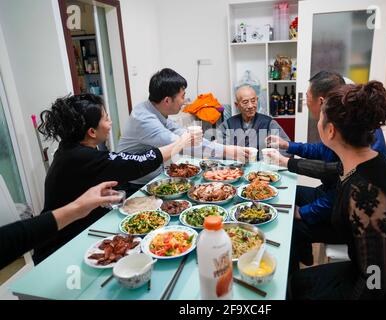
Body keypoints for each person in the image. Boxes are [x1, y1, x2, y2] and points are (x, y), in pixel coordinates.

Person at [289, 81, 386, 299]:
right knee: (294, 284)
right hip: (371, 268)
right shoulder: (365, 159)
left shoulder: (365, 194)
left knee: (297, 293)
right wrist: (287, 161)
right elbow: (330, 169)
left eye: (321, 118)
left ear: (331, 130)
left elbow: (375, 280)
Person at [33, 93, 197, 264]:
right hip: (59, 248)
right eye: (106, 119)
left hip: (75, 232)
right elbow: (138, 163)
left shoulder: (70, 148)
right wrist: (181, 143)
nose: (110, 123)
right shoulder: (80, 156)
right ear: (91, 131)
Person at [265, 71, 386, 271]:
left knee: (289, 224)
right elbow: (326, 160)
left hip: (350, 226)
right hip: (340, 204)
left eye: (307, 98)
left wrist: (303, 212)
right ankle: (303, 257)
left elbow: (340, 190)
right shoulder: (349, 129)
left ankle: (294, 274)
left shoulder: (363, 168)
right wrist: (290, 147)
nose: (306, 104)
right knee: (289, 197)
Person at [117, 68, 249, 195]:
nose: (184, 101)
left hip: (152, 175)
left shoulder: (155, 110)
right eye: (182, 96)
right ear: (167, 100)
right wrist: (227, 151)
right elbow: (183, 146)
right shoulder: (145, 120)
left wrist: (223, 148)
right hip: (133, 184)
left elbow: (184, 135)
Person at [0, 181, 122, 270]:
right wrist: (77, 208)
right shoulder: (75, 156)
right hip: (50, 255)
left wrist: (78, 208)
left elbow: (13, 238)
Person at [217, 85, 290, 158]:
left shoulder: (269, 123)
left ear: (257, 100)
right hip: (236, 167)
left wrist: (269, 160)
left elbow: (286, 149)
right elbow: (217, 149)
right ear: (237, 105)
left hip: (264, 167)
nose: (250, 106)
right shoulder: (228, 124)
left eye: (253, 101)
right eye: (245, 102)